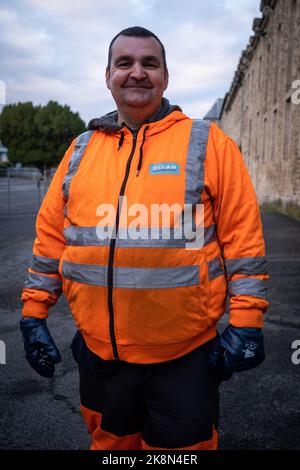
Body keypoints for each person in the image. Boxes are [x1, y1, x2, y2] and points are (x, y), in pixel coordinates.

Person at [20, 26, 269, 451]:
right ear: (108, 75)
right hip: (100, 358)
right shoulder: (80, 150)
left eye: (149, 64)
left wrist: (246, 323)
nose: (137, 73)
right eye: (125, 63)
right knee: (111, 450)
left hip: (185, 360)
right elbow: (50, 241)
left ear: (165, 77)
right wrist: (33, 313)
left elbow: (243, 242)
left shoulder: (208, 143)